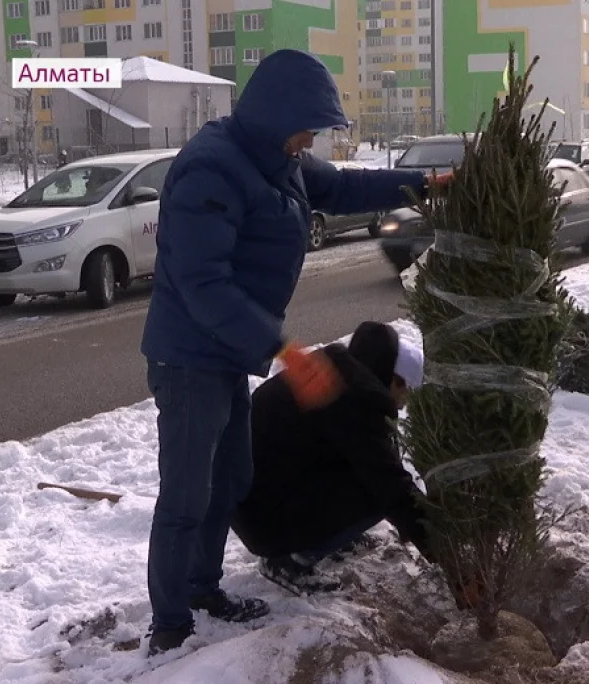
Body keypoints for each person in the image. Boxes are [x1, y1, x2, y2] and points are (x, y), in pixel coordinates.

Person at [140, 49, 448, 656]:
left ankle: (202, 589)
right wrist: (282, 349)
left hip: (226, 353)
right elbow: (203, 284)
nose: (312, 139)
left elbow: (347, 187)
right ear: (277, 115)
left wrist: (426, 185)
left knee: (230, 477)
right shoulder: (212, 170)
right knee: (186, 493)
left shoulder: (280, 162)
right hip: (189, 356)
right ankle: (170, 623)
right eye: (308, 126)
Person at [232, 322, 432, 595]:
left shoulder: (336, 370)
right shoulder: (356, 402)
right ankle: (290, 562)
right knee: (377, 492)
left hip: (251, 497)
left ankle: (329, 539)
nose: (405, 402)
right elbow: (390, 484)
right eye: (406, 390)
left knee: (368, 471)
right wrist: (439, 546)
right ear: (393, 377)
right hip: (263, 517)